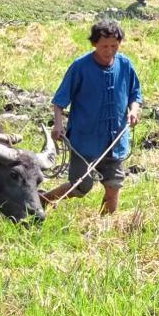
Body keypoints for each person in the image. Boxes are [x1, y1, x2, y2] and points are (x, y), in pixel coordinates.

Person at [43, 19, 142, 215]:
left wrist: (134, 110)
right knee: (80, 187)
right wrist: (58, 125)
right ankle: (43, 199)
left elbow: (135, 94)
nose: (109, 51)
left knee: (114, 185)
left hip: (115, 140)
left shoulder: (125, 64)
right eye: (104, 46)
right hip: (85, 140)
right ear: (94, 44)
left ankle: (105, 227)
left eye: (114, 46)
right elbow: (60, 101)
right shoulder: (80, 67)